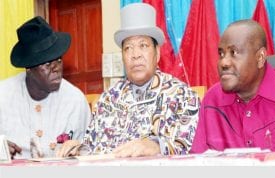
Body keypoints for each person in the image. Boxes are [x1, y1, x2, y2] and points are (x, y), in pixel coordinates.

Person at [57, 3, 199, 158]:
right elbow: (93, 147)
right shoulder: (108, 99)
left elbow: (193, 147)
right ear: (123, 57)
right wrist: (78, 148)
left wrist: (158, 146)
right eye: (128, 48)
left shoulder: (181, 96)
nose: (135, 54)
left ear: (157, 53)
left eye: (143, 45)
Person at [191, 19, 275, 153]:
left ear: (260, 57)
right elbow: (198, 162)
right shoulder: (212, 100)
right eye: (221, 54)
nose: (223, 63)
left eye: (234, 53)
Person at [0, 16, 91, 159]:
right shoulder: (3, 96)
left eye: (59, 60)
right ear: (29, 68)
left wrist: (79, 150)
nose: (56, 68)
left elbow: (90, 153)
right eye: (47, 64)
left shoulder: (75, 101)